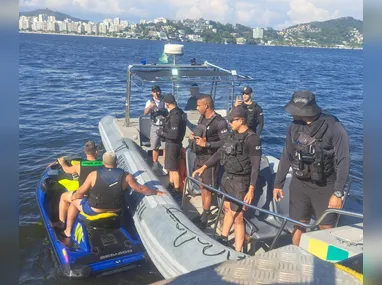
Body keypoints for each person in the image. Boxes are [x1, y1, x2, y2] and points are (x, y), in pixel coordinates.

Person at [273, 90, 350, 246]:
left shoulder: (334, 126)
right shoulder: (294, 126)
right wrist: (278, 183)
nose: (291, 113)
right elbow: (287, 154)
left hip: (325, 185)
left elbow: (344, 159)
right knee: (298, 224)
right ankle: (297, 257)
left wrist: (338, 192)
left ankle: (325, 266)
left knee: (326, 227)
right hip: (299, 184)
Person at [193, 106, 262, 252]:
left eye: (232, 120)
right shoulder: (232, 135)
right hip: (227, 177)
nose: (230, 122)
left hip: (240, 181)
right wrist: (204, 167)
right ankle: (223, 237)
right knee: (227, 208)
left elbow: (256, 167)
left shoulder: (252, 139)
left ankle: (238, 251)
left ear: (241, 120)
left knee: (238, 216)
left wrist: (251, 189)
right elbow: (220, 153)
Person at [60, 152, 167, 237]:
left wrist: (75, 197)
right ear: (116, 162)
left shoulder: (94, 175)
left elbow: (80, 192)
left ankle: (68, 231)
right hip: (116, 209)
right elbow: (141, 189)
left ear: (103, 162)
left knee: (74, 202)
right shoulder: (126, 176)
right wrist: (156, 192)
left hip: (95, 210)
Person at [189, 94, 229, 229]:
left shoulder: (219, 122)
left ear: (206, 106)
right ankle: (204, 213)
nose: (197, 107)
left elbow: (225, 142)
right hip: (200, 157)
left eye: (199, 105)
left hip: (210, 159)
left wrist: (207, 144)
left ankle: (206, 215)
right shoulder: (202, 118)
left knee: (208, 188)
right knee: (202, 186)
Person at [52, 141, 103, 229]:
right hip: (100, 196)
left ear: (85, 151)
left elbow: (67, 170)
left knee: (64, 197)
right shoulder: (104, 164)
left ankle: (62, 223)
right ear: (96, 151)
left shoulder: (79, 165)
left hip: (85, 196)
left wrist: (63, 162)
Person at [157, 94, 187, 200]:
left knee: (174, 169)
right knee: (170, 167)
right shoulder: (180, 112)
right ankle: (171, 184)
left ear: (167, 104)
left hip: (173, 144)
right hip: (174, 144)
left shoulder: (175, 116)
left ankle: (177, 190)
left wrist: (161, 132)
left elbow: (174, 135)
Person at [143, 85, 168, 174]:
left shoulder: (165, 101)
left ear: (160, 91)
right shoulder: (150, 101)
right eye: (154, 91)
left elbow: (169, 111)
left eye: (157, 91)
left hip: (164, 126)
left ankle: (165, 165)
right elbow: (145, 113)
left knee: (165, 147)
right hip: (155, 126)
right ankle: (155, 163)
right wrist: (150, 107)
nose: (156, 93)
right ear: (152, 93)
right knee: (155, 146)